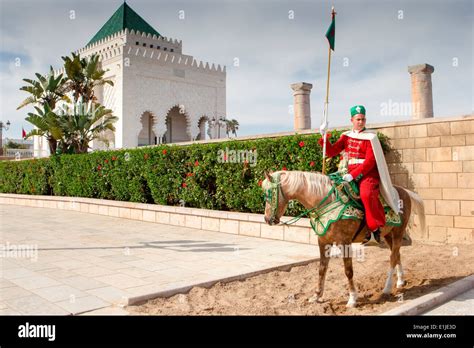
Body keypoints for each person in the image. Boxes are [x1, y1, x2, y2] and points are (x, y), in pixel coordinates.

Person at [318, 105, 386, 246]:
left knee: (366, 194)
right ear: (352, 120)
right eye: (358, 119)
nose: (361, 122)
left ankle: (374, 229)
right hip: (348, 172)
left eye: (363, 119)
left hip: (367, 174)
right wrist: (323, 135)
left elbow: (370, 162)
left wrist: (353, 175)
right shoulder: (346, 136)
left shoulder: (371, 137)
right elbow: (331, 152)